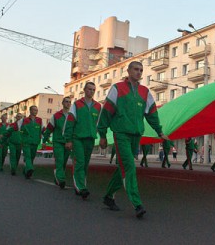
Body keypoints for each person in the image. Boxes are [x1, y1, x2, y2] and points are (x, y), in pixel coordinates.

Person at [98, 61, 168, 218]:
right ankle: (137, 204)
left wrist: (159, 131)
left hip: (136, 135)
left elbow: (152, 113)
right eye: (136, 69)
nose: (138, 72)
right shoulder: (117, 88)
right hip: (121, 134)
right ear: (128, 71)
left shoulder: (145, 92)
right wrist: (102, 134)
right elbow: (107, 111)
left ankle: (108, 197)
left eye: (141, 70)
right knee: (130, 166)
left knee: (122, 167)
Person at [65, 82, 101, 199]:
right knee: (79, 162)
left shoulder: (98, 106)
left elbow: (100, 123)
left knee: (85, 164)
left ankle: (79, 185)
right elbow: (69, 122)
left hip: (90, 139)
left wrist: (103, 136)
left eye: (93, 90)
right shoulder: (76, 105)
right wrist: (68, 140)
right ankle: (81, 187)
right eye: (89, 89)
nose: (91, 91)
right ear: (84, 90)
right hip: (77, 138)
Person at [42, 97, 74, 189]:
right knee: (59, 161)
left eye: (69, 102)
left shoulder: (72, 116)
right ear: (62, 103)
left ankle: (57, 176)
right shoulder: (56, 116)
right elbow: (49, 129)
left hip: (67, 142)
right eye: (66, 102)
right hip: (58, 142)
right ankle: (61, 180)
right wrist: (44, 141)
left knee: (63, 162)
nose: (68, 103)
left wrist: (71, 141)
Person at [20, 106, 43, 179]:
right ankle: (30, 169)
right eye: (34, 110)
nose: (36, 111)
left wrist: (43, 139)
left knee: (32, 157)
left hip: (35, 142)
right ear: (30, 111)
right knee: (28, 156)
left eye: (37, 110)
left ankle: (26, 171)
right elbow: (21, 131)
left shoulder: (39, 120)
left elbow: (42, 130)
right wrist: (22, 140)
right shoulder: (25, 120)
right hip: (26, 142)